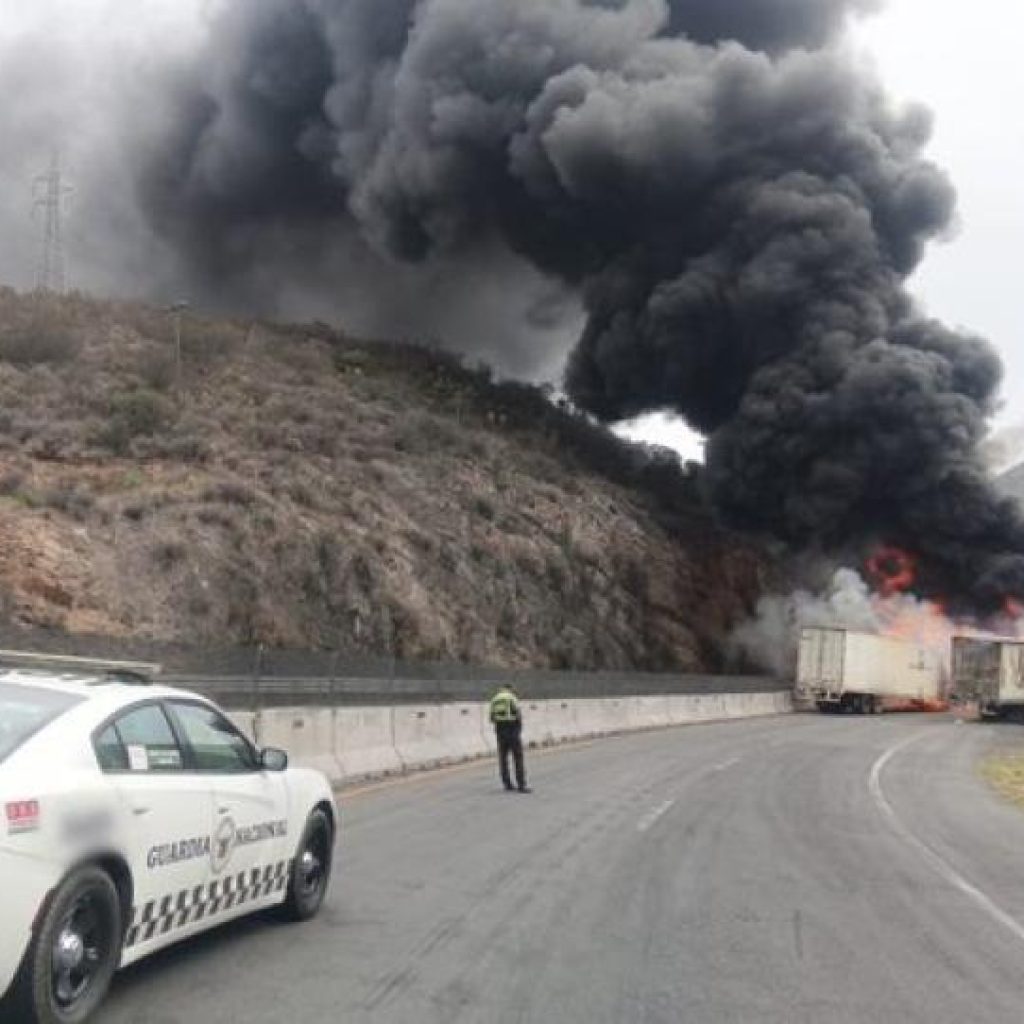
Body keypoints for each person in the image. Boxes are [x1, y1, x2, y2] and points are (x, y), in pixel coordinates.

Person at [488, 684, 531, 793]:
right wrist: (519, 728)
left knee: (503, 758)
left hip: (500, 730)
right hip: (512, 729)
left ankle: (507, 784)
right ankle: (521, 785)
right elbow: (518, 713)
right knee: (518, 757)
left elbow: (491, 718)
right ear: (510, 689)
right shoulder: (511, 697)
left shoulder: (494, 699)